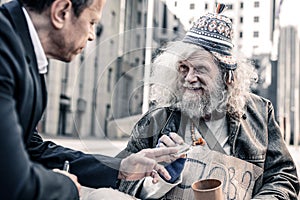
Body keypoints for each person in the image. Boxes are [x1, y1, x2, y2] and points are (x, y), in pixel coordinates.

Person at [116, 4, 300, 200]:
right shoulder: (157, 119)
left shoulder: (261, 113)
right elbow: (120, 178)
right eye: (184, 68)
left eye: (200, 69)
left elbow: (283, 177)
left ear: (227, 76)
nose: (189, 78)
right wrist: (160, 178)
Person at [0, 0, 180, 199]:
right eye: (92, 22)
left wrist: (120, 168)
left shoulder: (21, 50)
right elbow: (14, 182)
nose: (93, 35)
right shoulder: (4, 52)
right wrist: (66, 186)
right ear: (61, 12)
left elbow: (33, 149)